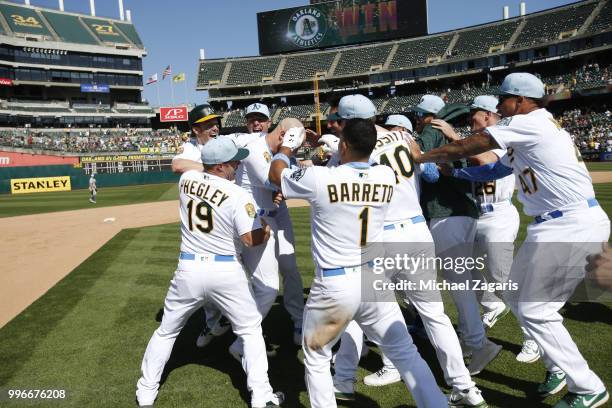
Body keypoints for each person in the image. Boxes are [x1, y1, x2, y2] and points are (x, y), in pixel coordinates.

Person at [409, 72, 610, 408]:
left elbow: (473, 144)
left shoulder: (533, 121)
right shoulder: (529, 127)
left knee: (537, 308)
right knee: (516, 296)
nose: (500, 106)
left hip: (571, 223)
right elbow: (495, 170)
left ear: (522, 100)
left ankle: (587, 386)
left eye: (504, 99)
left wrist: (425, 157)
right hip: (550, 224)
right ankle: (557, 365)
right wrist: (457, 173)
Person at [268, 117, 448, 408]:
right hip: (373, 280)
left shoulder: (321, 178)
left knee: (316, 356)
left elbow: (277, 176)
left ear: (343, 145)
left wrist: (287, 149)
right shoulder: (385, 176)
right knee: (405, 352)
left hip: (334, 283)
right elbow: (359, 164)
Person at [329, 95, 486, 407]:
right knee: (435, 316)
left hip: (380, 236)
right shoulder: (403, 135)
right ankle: (465, 387)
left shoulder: (350, 147)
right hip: (416, 230)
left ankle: (345, 380)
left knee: (360, 310)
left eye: (340, 121)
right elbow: (425, 170)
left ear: (347, 122)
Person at [136, 137, 284, 408]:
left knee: (167, 331)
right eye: (233, 162)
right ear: (220, 166)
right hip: (225, 269)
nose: (238, 165)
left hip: (189, 268)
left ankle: (146, 391)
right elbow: (250, 240)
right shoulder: (237, 194)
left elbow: (186, 167)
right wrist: (265, 228)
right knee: (250, 331)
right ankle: (262, 396)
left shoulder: (186, 182)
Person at [436, 95, 540, 364]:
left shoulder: (504, 136)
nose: (471, 119)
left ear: (489, 115)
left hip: (499, 216)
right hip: (476, 215)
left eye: (475, 115)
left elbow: (484, 161)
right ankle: (491, 307)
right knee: (466, 272)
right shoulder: (476, 138)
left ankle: (532, 338)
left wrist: (452, 135)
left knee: (502, 278)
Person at [415, 94, 502, 375]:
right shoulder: (455, 135)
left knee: (459, 284)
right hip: (466, 215)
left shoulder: (432, 131)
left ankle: (479, 343)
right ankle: (471, 339)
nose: (418, 121)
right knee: (461, 281)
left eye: (420, 116)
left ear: (428, 116)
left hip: (446, 216)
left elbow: (422, 163)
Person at [228, 117, 305, 353]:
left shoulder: (276, 150)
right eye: (294, 144)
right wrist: (296, 168)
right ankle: (243, 338)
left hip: (275, 214)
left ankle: (298, 321)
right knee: (265, 286)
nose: (295, 150)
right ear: (284, 136)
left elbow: (284, 180)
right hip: (255, 220)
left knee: (290, 268)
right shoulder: (255, 148)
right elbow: (276, 180)